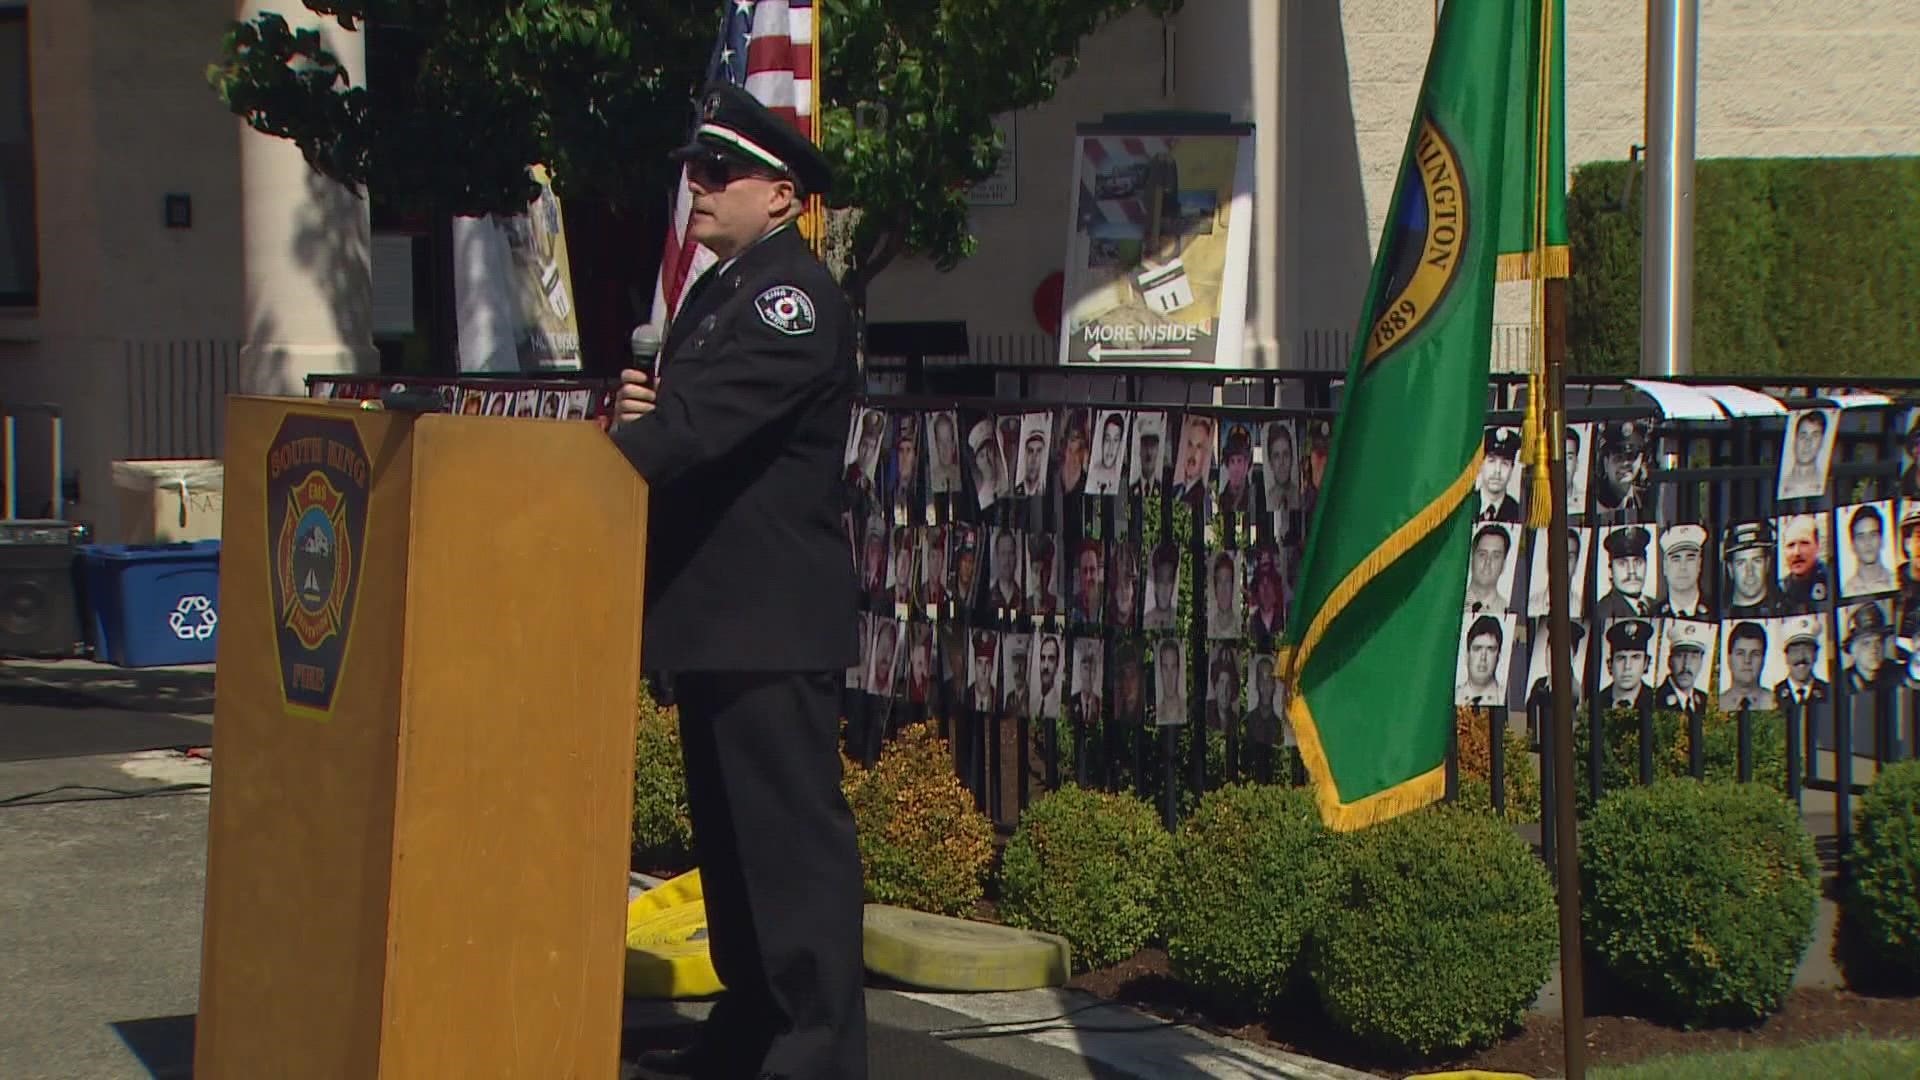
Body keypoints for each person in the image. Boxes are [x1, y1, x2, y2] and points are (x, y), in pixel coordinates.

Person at [609, 82, 867, 1080]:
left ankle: (814, 1054)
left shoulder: (790, 299)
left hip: (767, 620)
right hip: (718, 618)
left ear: (784, 196)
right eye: (695, 169)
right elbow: (685, 422)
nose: (699, 186)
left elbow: (697, 429)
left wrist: (610, 456)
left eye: (722, 172)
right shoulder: (723, 293)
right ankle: (755, 1029)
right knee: (736, 855)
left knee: (789, 855)